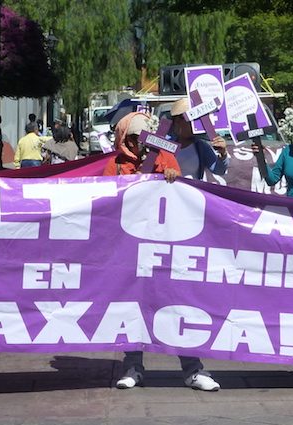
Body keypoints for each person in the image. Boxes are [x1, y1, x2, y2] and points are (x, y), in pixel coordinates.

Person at [102, 113, 218, 391]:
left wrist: (172, 179)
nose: (138, 144)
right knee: (132, 308)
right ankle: (132, 368)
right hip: (130, 250)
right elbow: (106, 201)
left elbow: (181, 194)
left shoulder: (166, 158)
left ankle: (192, 371)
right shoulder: (115, 165)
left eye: (142, 139)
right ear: (124, 139)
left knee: (178, 305)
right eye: (133, 138)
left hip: (167, 247)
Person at [168, 99, 229, 179]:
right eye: (191, 119)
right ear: (178, 120)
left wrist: (223, 154)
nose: (194, 124)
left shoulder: (201, 146)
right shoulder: (164, 143)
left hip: (192, 190)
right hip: (168, 190)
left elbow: (219, 170)